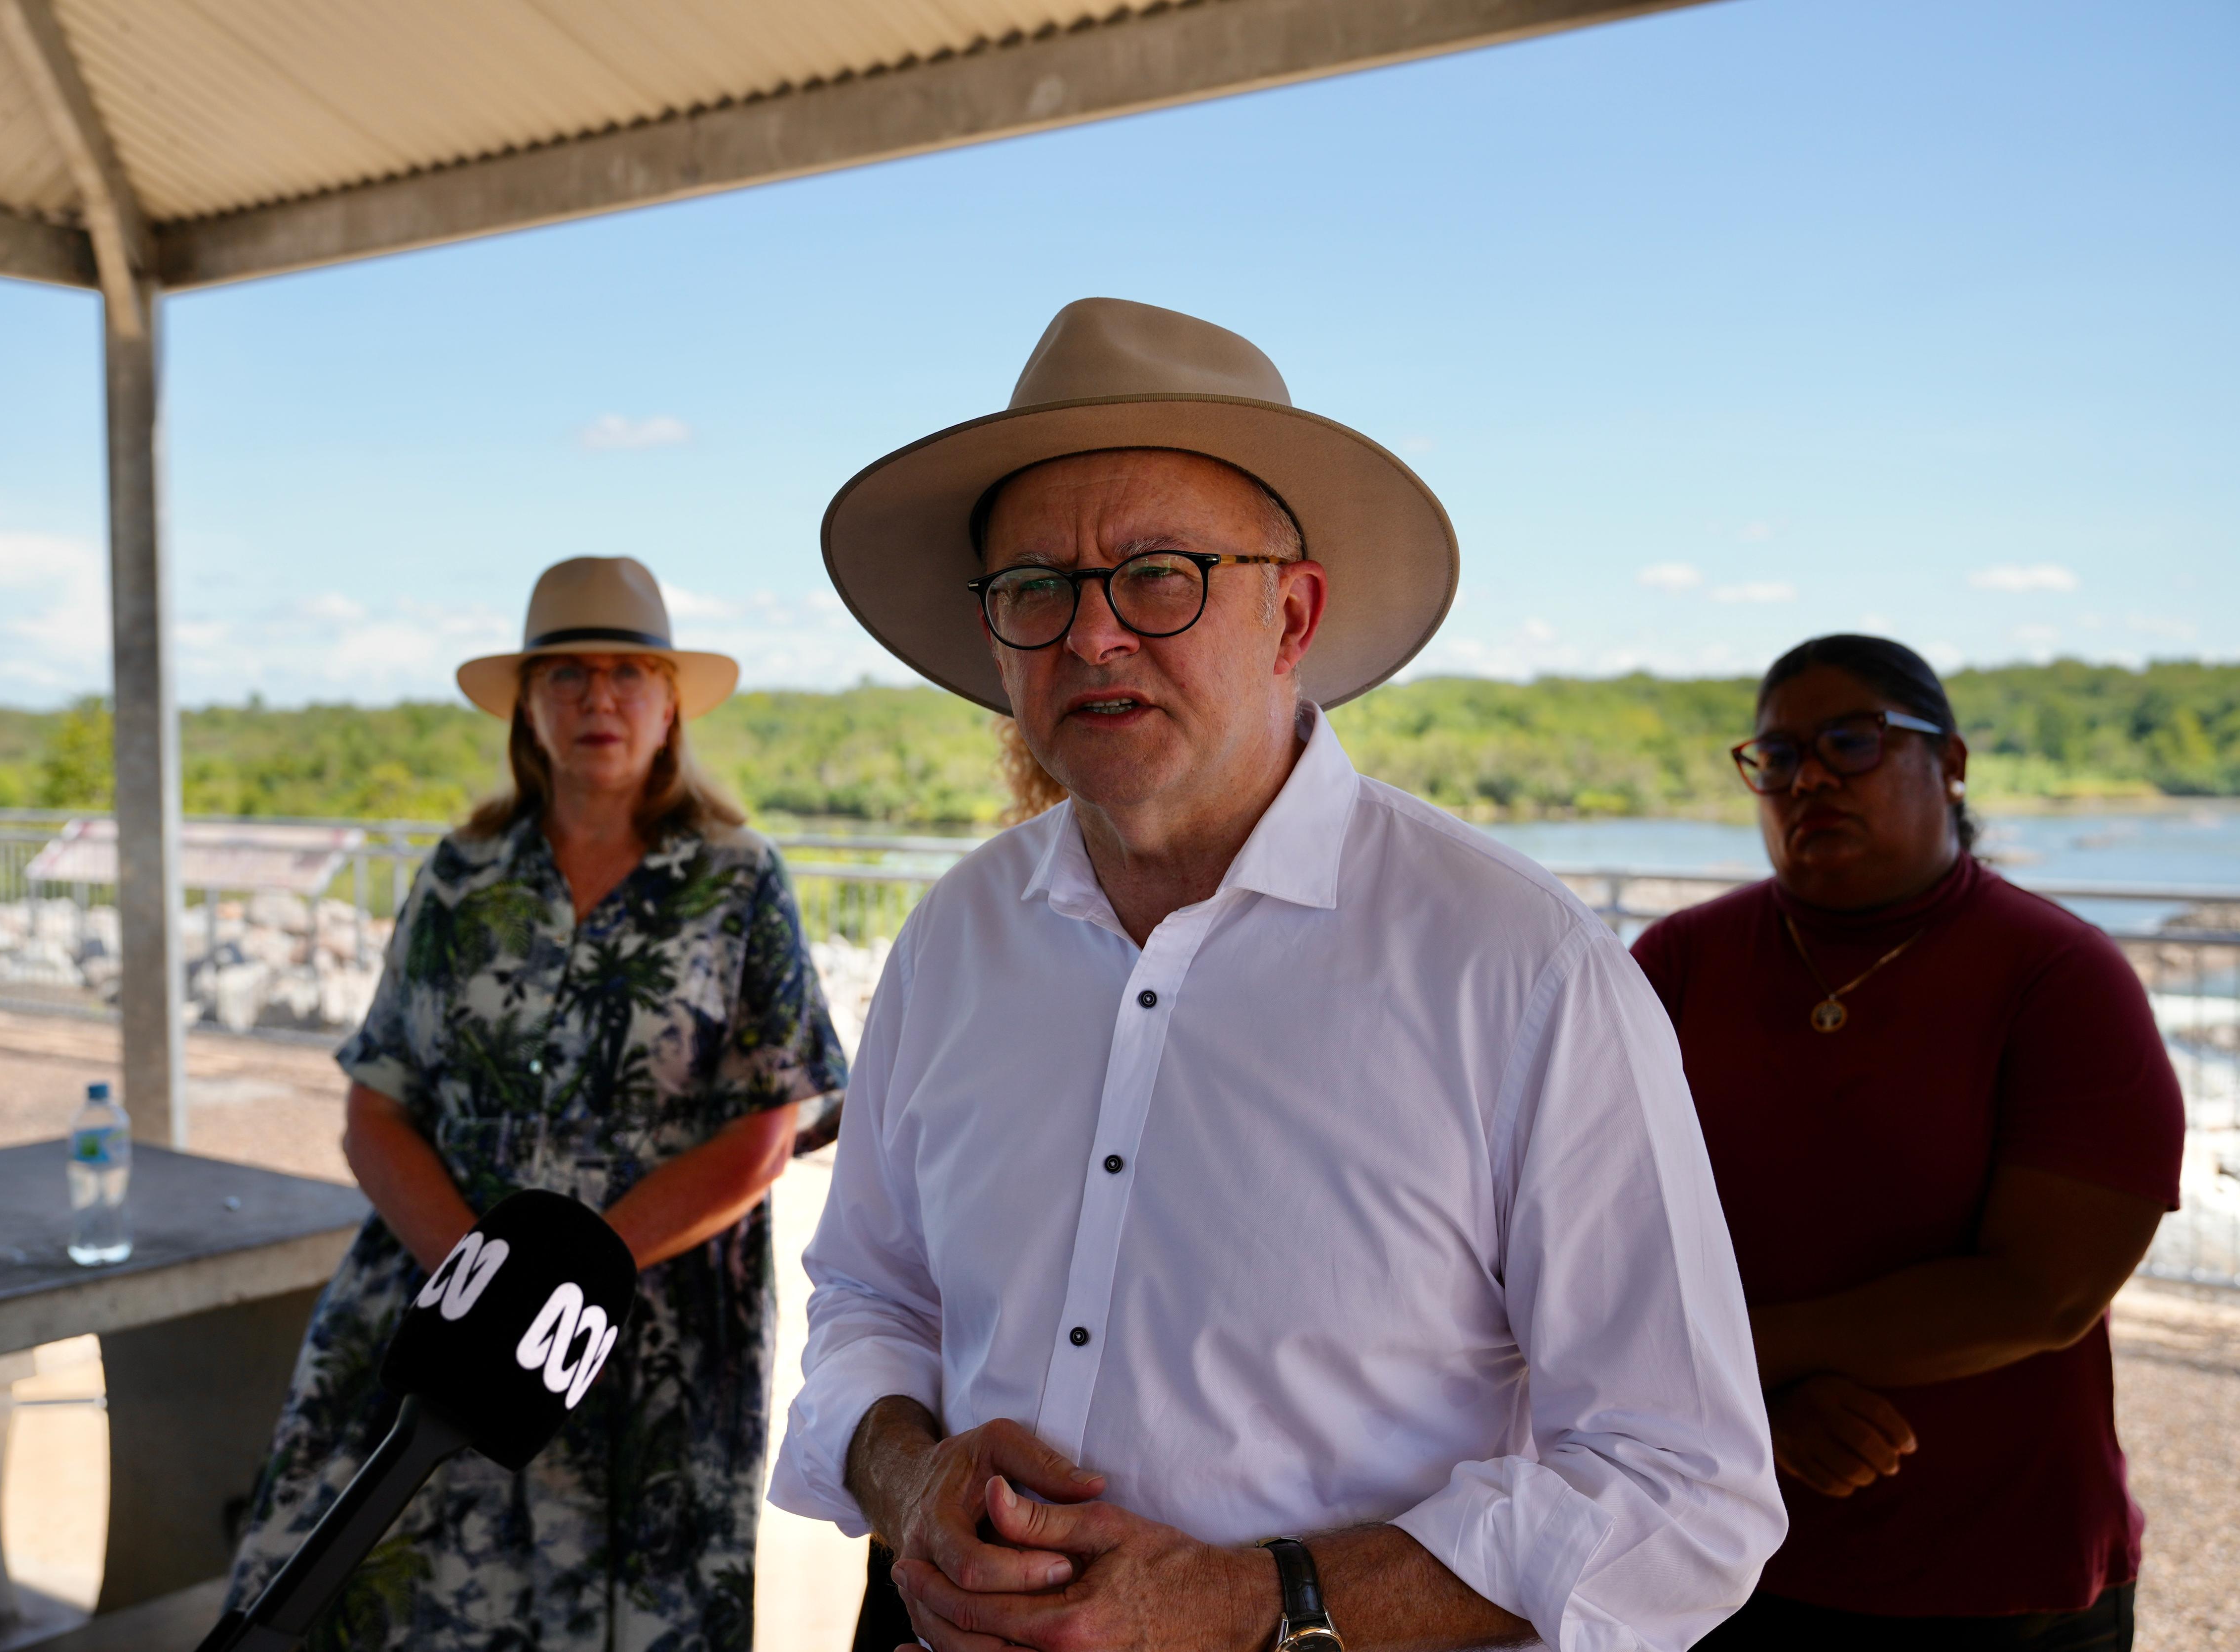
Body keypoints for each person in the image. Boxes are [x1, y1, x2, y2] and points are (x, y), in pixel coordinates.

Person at [770, 297, 1786, 1652]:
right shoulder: (954, 941)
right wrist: (910, 1477)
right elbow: (870, 1298)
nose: (1093, 636)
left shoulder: (1521, 966)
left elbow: (1683, 1488)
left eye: (1161, 573)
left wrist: (1259, 1599)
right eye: (1037, 587)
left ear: (1292, 611)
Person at [226, 556, 847, 1652]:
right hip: (436, 1305)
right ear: (529, 705)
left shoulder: (739, 876)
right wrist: (483, 1283)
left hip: (650, 1329)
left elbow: (764, 1133)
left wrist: (567, 1282)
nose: (596, 698)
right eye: (565, 674)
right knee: (360, 1595)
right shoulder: (461, 876)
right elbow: (377, 1111)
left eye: (626, 672)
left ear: (668, 702)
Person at [1630, 634, 2186, 1652]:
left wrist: (1742, 1361)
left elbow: (2042, 1292)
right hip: (1713, 1546)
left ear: (1954, 762)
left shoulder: (2059, 976)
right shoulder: (1675, 962)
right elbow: (1586, 1226)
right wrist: (1759, 1396)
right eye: (1779, 754)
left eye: (1853, 740)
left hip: (1996, 1574)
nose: (1810, 777)